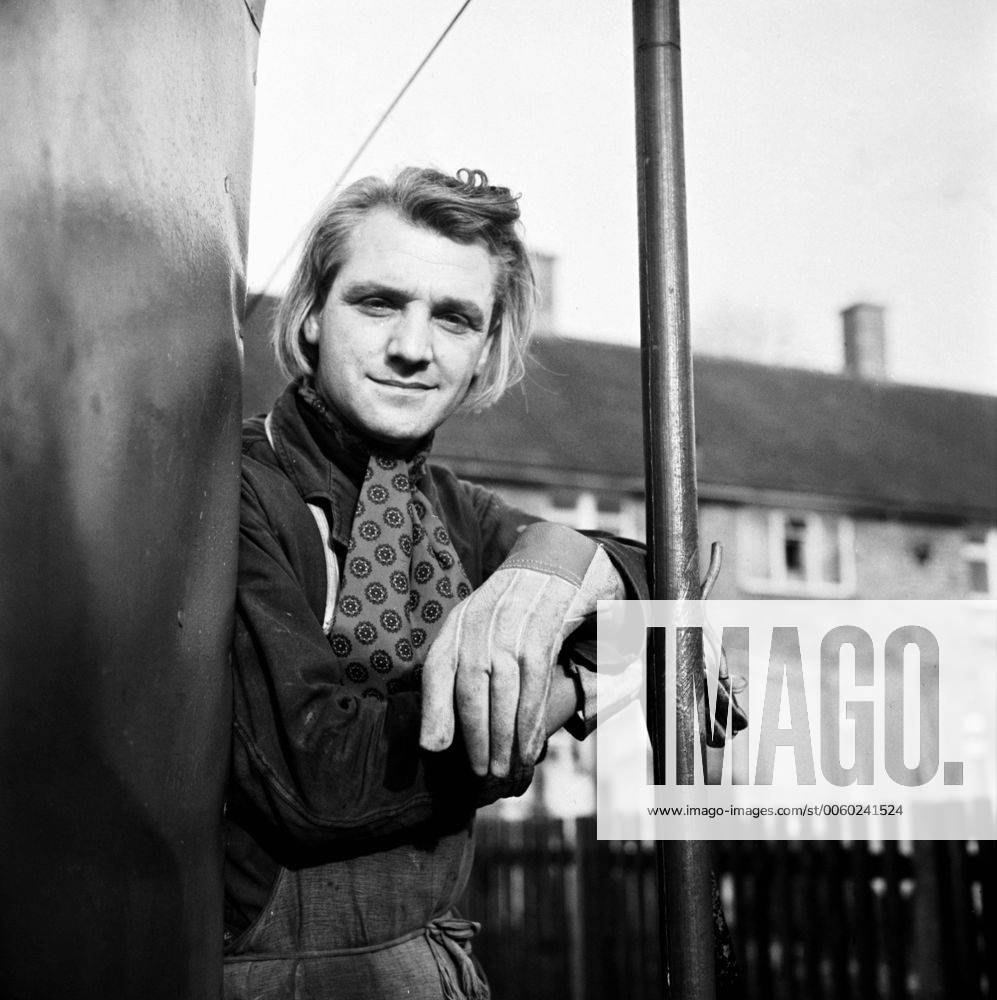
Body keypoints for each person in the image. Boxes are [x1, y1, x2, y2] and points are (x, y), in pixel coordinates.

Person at [223, 167, 647, 1000]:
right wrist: (554, 690)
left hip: (439, 963)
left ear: (484, 349)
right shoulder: (235, 487)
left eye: (453, 318)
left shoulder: (452, 509)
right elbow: (320, 779)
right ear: (310, 313)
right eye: (378, 303)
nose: (413, 348)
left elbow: (664, 576)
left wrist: (555, 561)